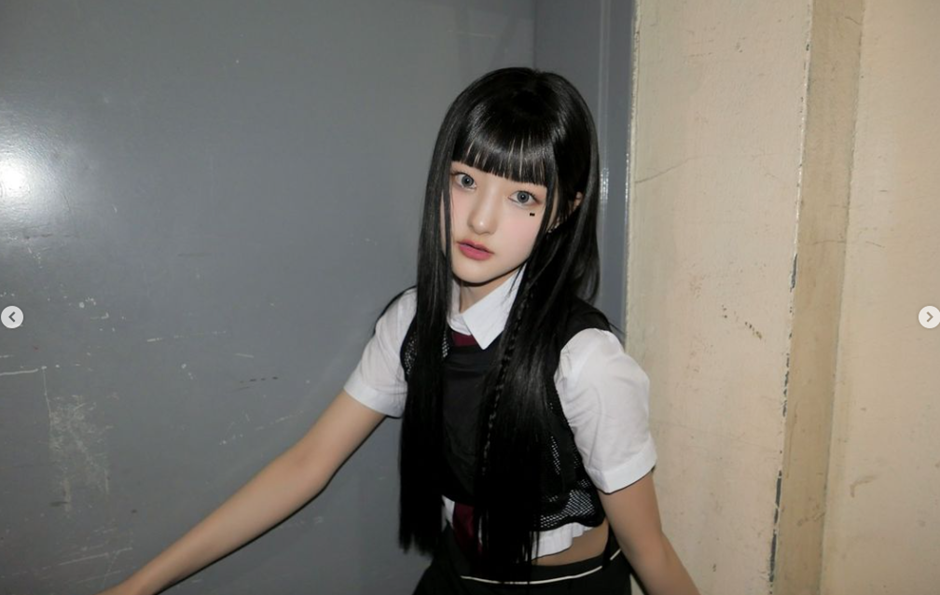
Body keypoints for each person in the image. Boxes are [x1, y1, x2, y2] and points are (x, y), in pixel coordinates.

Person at [97, 68, 699, 595]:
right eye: (466, 180)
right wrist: (142, 584)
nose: (481, 219)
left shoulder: (586, 361)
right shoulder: (414, 325)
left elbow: (649, 551)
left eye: (522, 196)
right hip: (457, 574)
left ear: (563, 212)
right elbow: (308, 463)